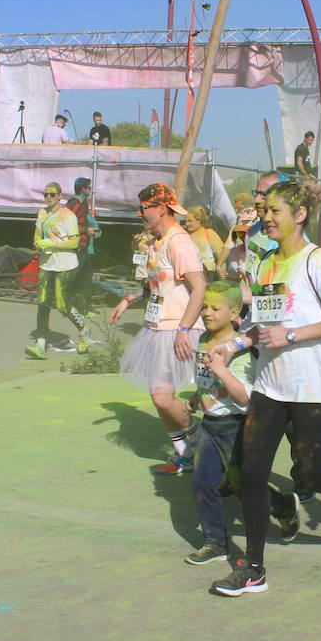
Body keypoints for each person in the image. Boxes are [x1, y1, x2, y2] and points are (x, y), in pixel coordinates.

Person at [205, 179, 321, 597]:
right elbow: (260, 326)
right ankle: (253, 569)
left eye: (274, 211)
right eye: (264, 210)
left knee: (311, 472)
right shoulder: (267, 263)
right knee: (251, 472)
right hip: (270, 387)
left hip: (314, 387)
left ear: (300, 215)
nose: (265, 217)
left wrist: (291, 336)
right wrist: (234, 344)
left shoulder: (319, 262)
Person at [183, 280, 300, 566]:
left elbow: (245, 398)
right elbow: (206, 378)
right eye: (204, 307)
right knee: (203, 483)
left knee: (244, 485)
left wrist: (221, 371)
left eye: (215, 308)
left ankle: (283, 506)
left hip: (237, 425)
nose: (207, 313)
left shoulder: (244, 351)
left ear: (236, 312)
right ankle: (216, 543)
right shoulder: (202, 341)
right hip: (211, 424)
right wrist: (199, 398)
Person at [111, 183, 207, 474]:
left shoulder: (179, 242)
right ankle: (185, 454)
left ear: (161, 208)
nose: (140, 214)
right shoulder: (157, 242)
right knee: (159, 398)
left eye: (144, 208)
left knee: (163, 397)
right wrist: (129, 299)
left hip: (176, 329)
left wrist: (183, 329)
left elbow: (200, 286)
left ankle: (204, 442)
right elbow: (155, 286)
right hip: (156, 328)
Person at [27, 183, 88, 358]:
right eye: (45, 194)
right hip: (47, 262)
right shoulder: (42, 213)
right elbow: (38, 233)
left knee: (62, 304)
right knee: (43, 302)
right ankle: (40, 344)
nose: (48, 198)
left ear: (60, 196)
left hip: (65, 263)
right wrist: (38, 242)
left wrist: (51, 243)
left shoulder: (67, 215)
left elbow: (74, 242)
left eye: (52, 195)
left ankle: (84, 331)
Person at [66, 177, 100, 316]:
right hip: (77, 246)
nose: (90, 190)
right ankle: (71, 306)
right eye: (89, 188)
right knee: (76, 277)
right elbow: (68, 225)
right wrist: (87, 230)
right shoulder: (73, 204)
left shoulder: (83, 203)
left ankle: (85, 307)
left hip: (85, 246)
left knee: (86, 278)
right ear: (83, 189)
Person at [184, 206, 225, 279]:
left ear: (198, 220)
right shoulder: (185, 235)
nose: (187, 224)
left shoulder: (208, 233)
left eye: (190, 221)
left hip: (208, 273)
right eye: (186, 221)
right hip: (190, 272)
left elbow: (220, 254)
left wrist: (222, 270)